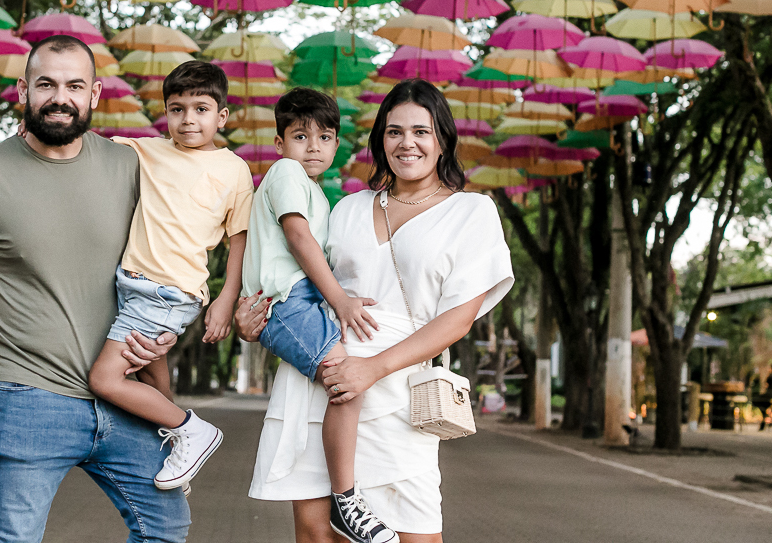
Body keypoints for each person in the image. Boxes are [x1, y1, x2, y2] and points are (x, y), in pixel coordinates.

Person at [0, 34, 190, 543]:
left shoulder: (130, 166)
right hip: (28, 398)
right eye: (45, 84)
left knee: (166, 529)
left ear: (95, 94)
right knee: (13, 538)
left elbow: (165, 258)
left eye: (73, 85)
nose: (59, 97)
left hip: (127, 395)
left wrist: (171, 330)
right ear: (23, 90)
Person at [244, 79, 515, 543]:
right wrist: (254, 318)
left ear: (443, 140)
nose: (406, 143)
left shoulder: (472, 212)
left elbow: (459, 319)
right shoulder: (347, 208)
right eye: (393, 132)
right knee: (315, 533)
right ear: (380, 141)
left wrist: (371, 369)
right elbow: (300, 279)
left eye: (420, 131)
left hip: (395, 382)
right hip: (320, 377)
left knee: (414, 532)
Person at [88, 60, 254, 491]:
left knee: (104, 379)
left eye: (201, 109)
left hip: (168, 293)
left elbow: (240, 240)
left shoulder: (233, 169)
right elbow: (87, 145)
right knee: (149, 367)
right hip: (130, 285)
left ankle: (193, 430)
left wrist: (225, 299)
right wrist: (30, 134)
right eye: (177, 108)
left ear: (221, 116)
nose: (188, 119)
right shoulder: (148, 149)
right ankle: (172, 443)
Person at [241, 87, 395, 543]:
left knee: (346, 383)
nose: (313, 146)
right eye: (300, 135)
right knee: (348, 380)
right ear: (279, 143)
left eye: (325, 137)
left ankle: (338, 498)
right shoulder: (287, 173)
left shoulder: (315, 191)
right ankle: (345, 500)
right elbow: (299, 240)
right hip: (287, 302)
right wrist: (341, 301)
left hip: (299, 301)